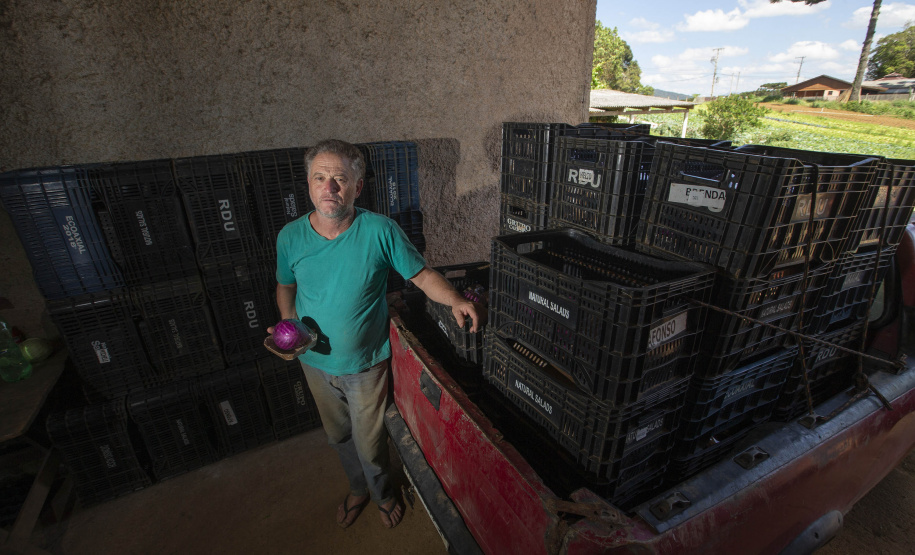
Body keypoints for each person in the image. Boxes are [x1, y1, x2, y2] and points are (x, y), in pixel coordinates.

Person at [271, 139, 485, 530]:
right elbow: (285, 285)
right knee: (338, 437)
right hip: (313, 362)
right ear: (308, 184)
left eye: (340, 179)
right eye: (320, 178)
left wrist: (455, 299)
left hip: (364, 365)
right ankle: (357, 489)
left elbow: (421, 276)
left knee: (369, 444)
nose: (329, 188)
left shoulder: (379, 231)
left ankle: (383, 493)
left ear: (359, 186)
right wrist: (287, 320)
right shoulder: (290, 237)